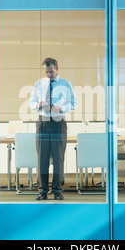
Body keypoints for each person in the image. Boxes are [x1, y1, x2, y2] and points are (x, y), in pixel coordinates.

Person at [29, 58, 78, 200]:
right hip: (43, 123)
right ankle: (42, 191)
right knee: (42, 158)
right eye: (46, 72)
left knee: (58, 158)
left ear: (57, 68)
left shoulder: (66, 84)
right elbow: (31, 102)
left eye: (51, 71)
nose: (49, 75)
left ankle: (57, 190)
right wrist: (38, 104)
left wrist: (62, 108)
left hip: (58, 123)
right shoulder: (39, 84)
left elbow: (74, 104)